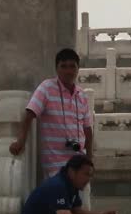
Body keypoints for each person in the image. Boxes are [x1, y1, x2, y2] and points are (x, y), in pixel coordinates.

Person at [9, 49, 93, 177]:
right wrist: (20, 141)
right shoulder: (46, 88)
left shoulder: (81, 95)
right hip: (56, 166)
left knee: (79, 197)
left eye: (72, 66)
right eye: (63, 66)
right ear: (56, 69)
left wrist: (89, 159)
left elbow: (87, 130)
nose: (68, 71)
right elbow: (29, 114)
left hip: (79, 164)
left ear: (78, 68)